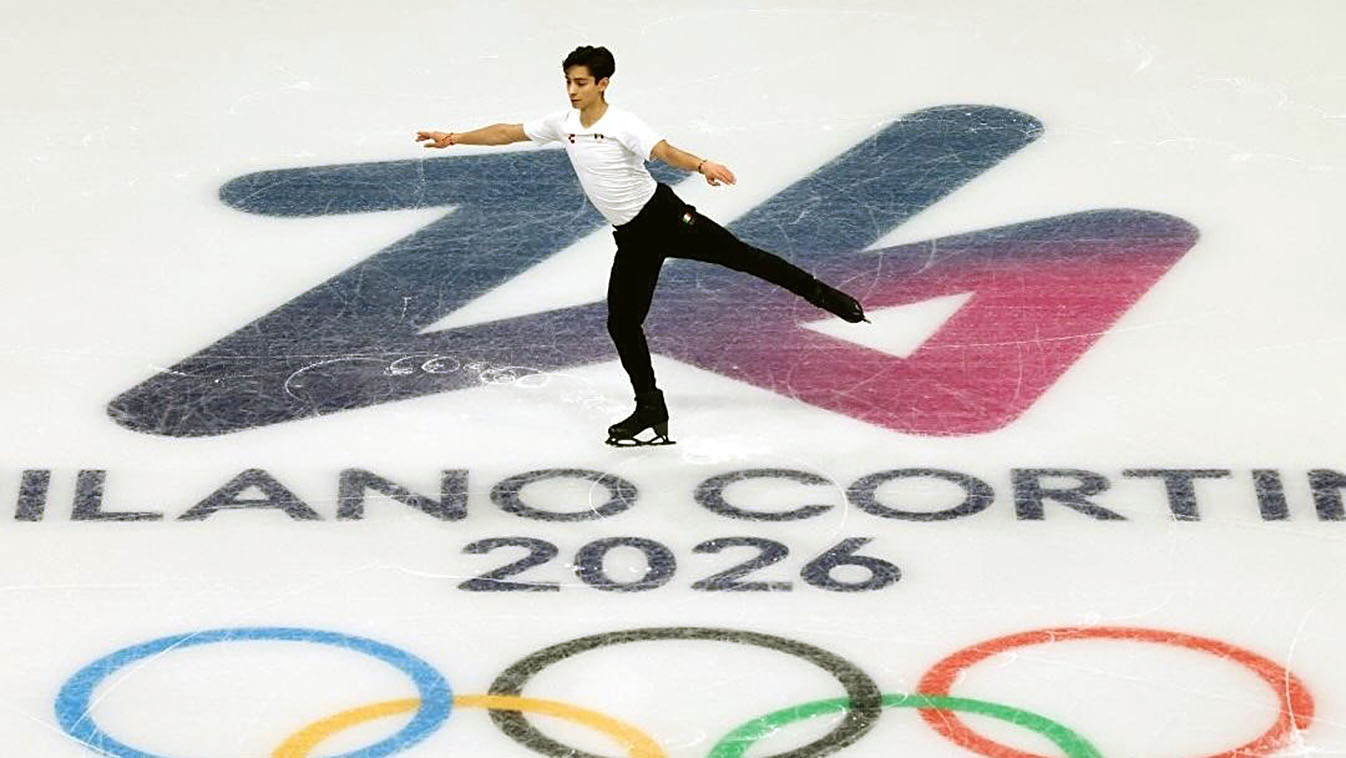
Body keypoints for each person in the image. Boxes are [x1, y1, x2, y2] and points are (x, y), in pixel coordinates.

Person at [416, 45, 866, 447]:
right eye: (568, 82)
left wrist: (702, 164)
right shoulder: (564, 124)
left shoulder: (622, 124)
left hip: (667, 220)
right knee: (622, 322)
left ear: (603, 83)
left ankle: (828, 298)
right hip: (633, 238)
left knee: (746, 259)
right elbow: (507, 132)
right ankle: (650, 408)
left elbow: (665, 151)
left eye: (581, 83)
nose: (572, 91)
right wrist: (454, 138)